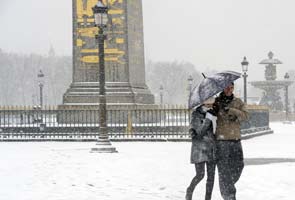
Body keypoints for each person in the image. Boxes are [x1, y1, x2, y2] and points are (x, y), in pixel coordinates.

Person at [212, 82, 249, 200]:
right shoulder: (217, 102)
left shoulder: (238, 102)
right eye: (227, 87)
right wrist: (216, 109)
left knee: (239, 165)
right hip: (222, 141)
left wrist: (232, 110)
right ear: (223, 88)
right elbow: (211, 118)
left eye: (231, 87)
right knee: (223, 168)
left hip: (235, 139)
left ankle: (226, 186)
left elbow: (246, 116)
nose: (229, 89)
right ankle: (229, 194)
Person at [186, 99, 217, 200]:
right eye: (208, 103)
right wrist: (208, 119)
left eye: (211, 103)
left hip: (212, 148)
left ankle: (208, 198)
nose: (210, 105)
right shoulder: (196, 114)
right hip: (200, 149)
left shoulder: (214, 113)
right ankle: (189, 190)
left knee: (211, 177)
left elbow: (217, 132)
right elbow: (199, 132)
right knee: (200, 175)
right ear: (203, 102)